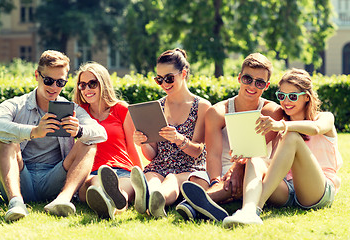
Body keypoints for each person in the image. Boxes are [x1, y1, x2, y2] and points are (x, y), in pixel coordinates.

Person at [0, 50, 107, 222]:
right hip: (21, 177)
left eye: (60, 82)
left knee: (89, 143)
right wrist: (33, 132)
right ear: (37, 75)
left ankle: (63, 200)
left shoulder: (71, 108)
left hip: (55, 178)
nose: (54, 87)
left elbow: (101, 133)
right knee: (6, 139)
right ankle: (16, 202)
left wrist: (79, 131)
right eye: (49, 81)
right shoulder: (16, 104)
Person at [222, 68, 343, 227]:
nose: (286, 101)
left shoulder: (324, 118)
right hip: (288, 190)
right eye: (282, 96)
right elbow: (277, 167)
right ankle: (249, 211)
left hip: (317, 191)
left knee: (292, 135)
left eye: (293, 96)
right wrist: (247, 160)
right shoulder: (281, 132)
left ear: (307, 97)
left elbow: (315, 128)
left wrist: (281, 125)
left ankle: (256, 207)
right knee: (255, 159)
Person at [177, 53, 283, 221]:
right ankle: (209, 199)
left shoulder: (272, 112)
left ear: (267, 86)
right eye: (248, 79)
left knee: (242, 176)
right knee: (200, 178)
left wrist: (237, 169)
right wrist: (216, 180)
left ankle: (195, 205)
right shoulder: (217, 112)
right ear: (240, 77)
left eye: (259, 82)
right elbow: (213, 155)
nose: (252, 86)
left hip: (255, 169)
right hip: (220, 170)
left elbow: (253, 149)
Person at [130, 48, 211, 218]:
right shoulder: (156, 106)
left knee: (172, 180)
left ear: (183, 73)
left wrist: (178, 139)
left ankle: (155, 199)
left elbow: (198, 151)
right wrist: (143, 142)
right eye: (159, 79)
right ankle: (150, 197)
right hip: (159, 165)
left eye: (169, 78)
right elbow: (152, 155)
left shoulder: (202, 106)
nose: (164, 84)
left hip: (189, 168)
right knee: (152, 177)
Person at [73, 62, 143, 219]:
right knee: (96, 184)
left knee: (123, 190)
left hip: (122, 169)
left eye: (92, 84)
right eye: (82, 85)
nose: (87, 90)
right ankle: (105, 199)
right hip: (92, 172)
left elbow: (131, 147)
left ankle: (113, 203)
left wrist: (141, 175)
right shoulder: (78, 112)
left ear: (103, 83)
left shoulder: (121, 109)